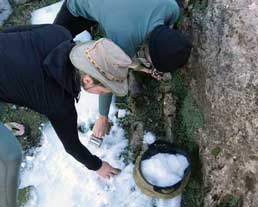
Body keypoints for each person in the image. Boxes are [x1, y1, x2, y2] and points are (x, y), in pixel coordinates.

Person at [0, 24, 133, 207]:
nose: (104, 93)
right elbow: (72, 146)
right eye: (104, 89)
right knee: (9, 155)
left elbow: (12, 33)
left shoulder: (59, 33)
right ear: (87, 80)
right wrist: (98, 165)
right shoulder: (58, 103)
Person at [54, 0, 192, 140]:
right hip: (79, 4)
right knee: (52, 44)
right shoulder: (123, 39)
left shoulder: (172, 8)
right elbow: (105, 77)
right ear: (148, 52)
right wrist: (102, 117)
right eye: (152, 62)